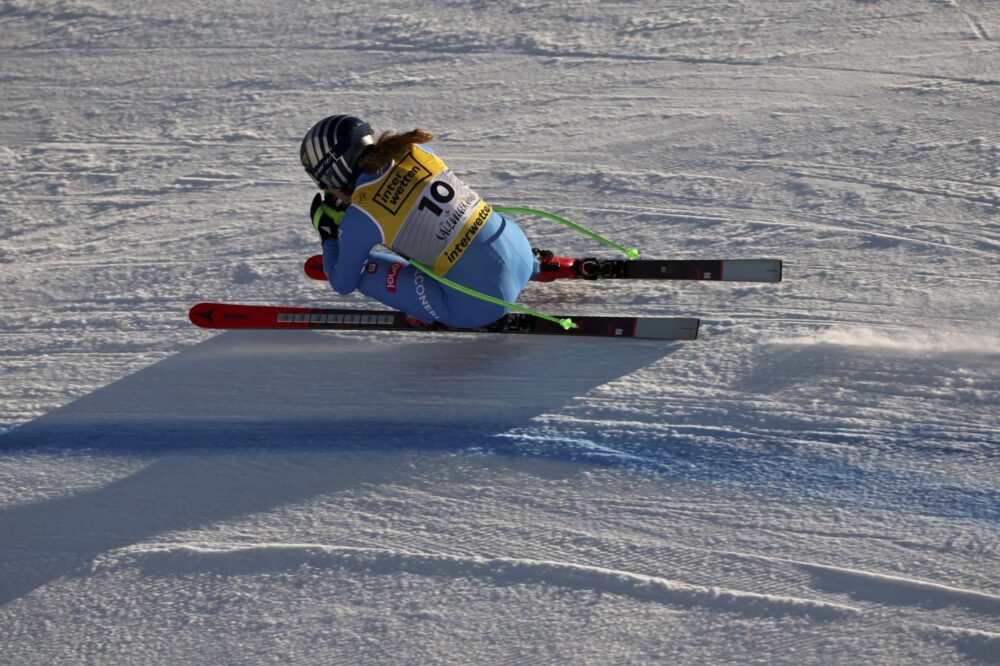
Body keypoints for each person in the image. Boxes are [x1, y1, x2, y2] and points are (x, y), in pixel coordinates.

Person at [300, 114, 546, 329]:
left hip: (484, 305)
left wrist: (329, 236)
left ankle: (426, 311)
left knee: (363, 272)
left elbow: (342, 282)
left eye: (325, 184)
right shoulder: (415, 150)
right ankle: (533, 265)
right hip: (519, 249)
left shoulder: (360, 217)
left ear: (336, 172)